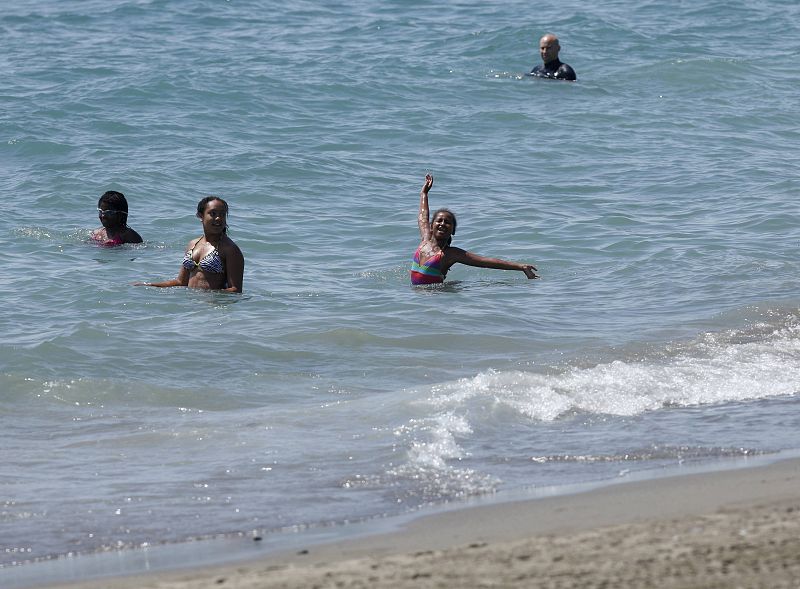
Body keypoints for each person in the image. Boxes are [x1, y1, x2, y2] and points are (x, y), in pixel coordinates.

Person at [411, 174, 538, 285]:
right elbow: (423, 216)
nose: (442, 224)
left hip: (436, 297)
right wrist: (424, 194)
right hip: (418, 299)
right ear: (432, 225)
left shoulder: (450, 254)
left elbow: (486, 262)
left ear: (453, 231)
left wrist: (520, 267)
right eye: (439, 220)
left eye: (448, 222)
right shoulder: (425, 240)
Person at [136, 196, 244, 293]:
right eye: (213, 213)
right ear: (200, 216)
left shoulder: (230, 249)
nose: (218, 218)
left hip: (212, 309)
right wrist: (149, 285)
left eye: (222, 214)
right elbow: (181, 282)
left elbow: (235, 290)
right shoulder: (193, 244)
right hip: (190, 306)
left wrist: (209, 298)